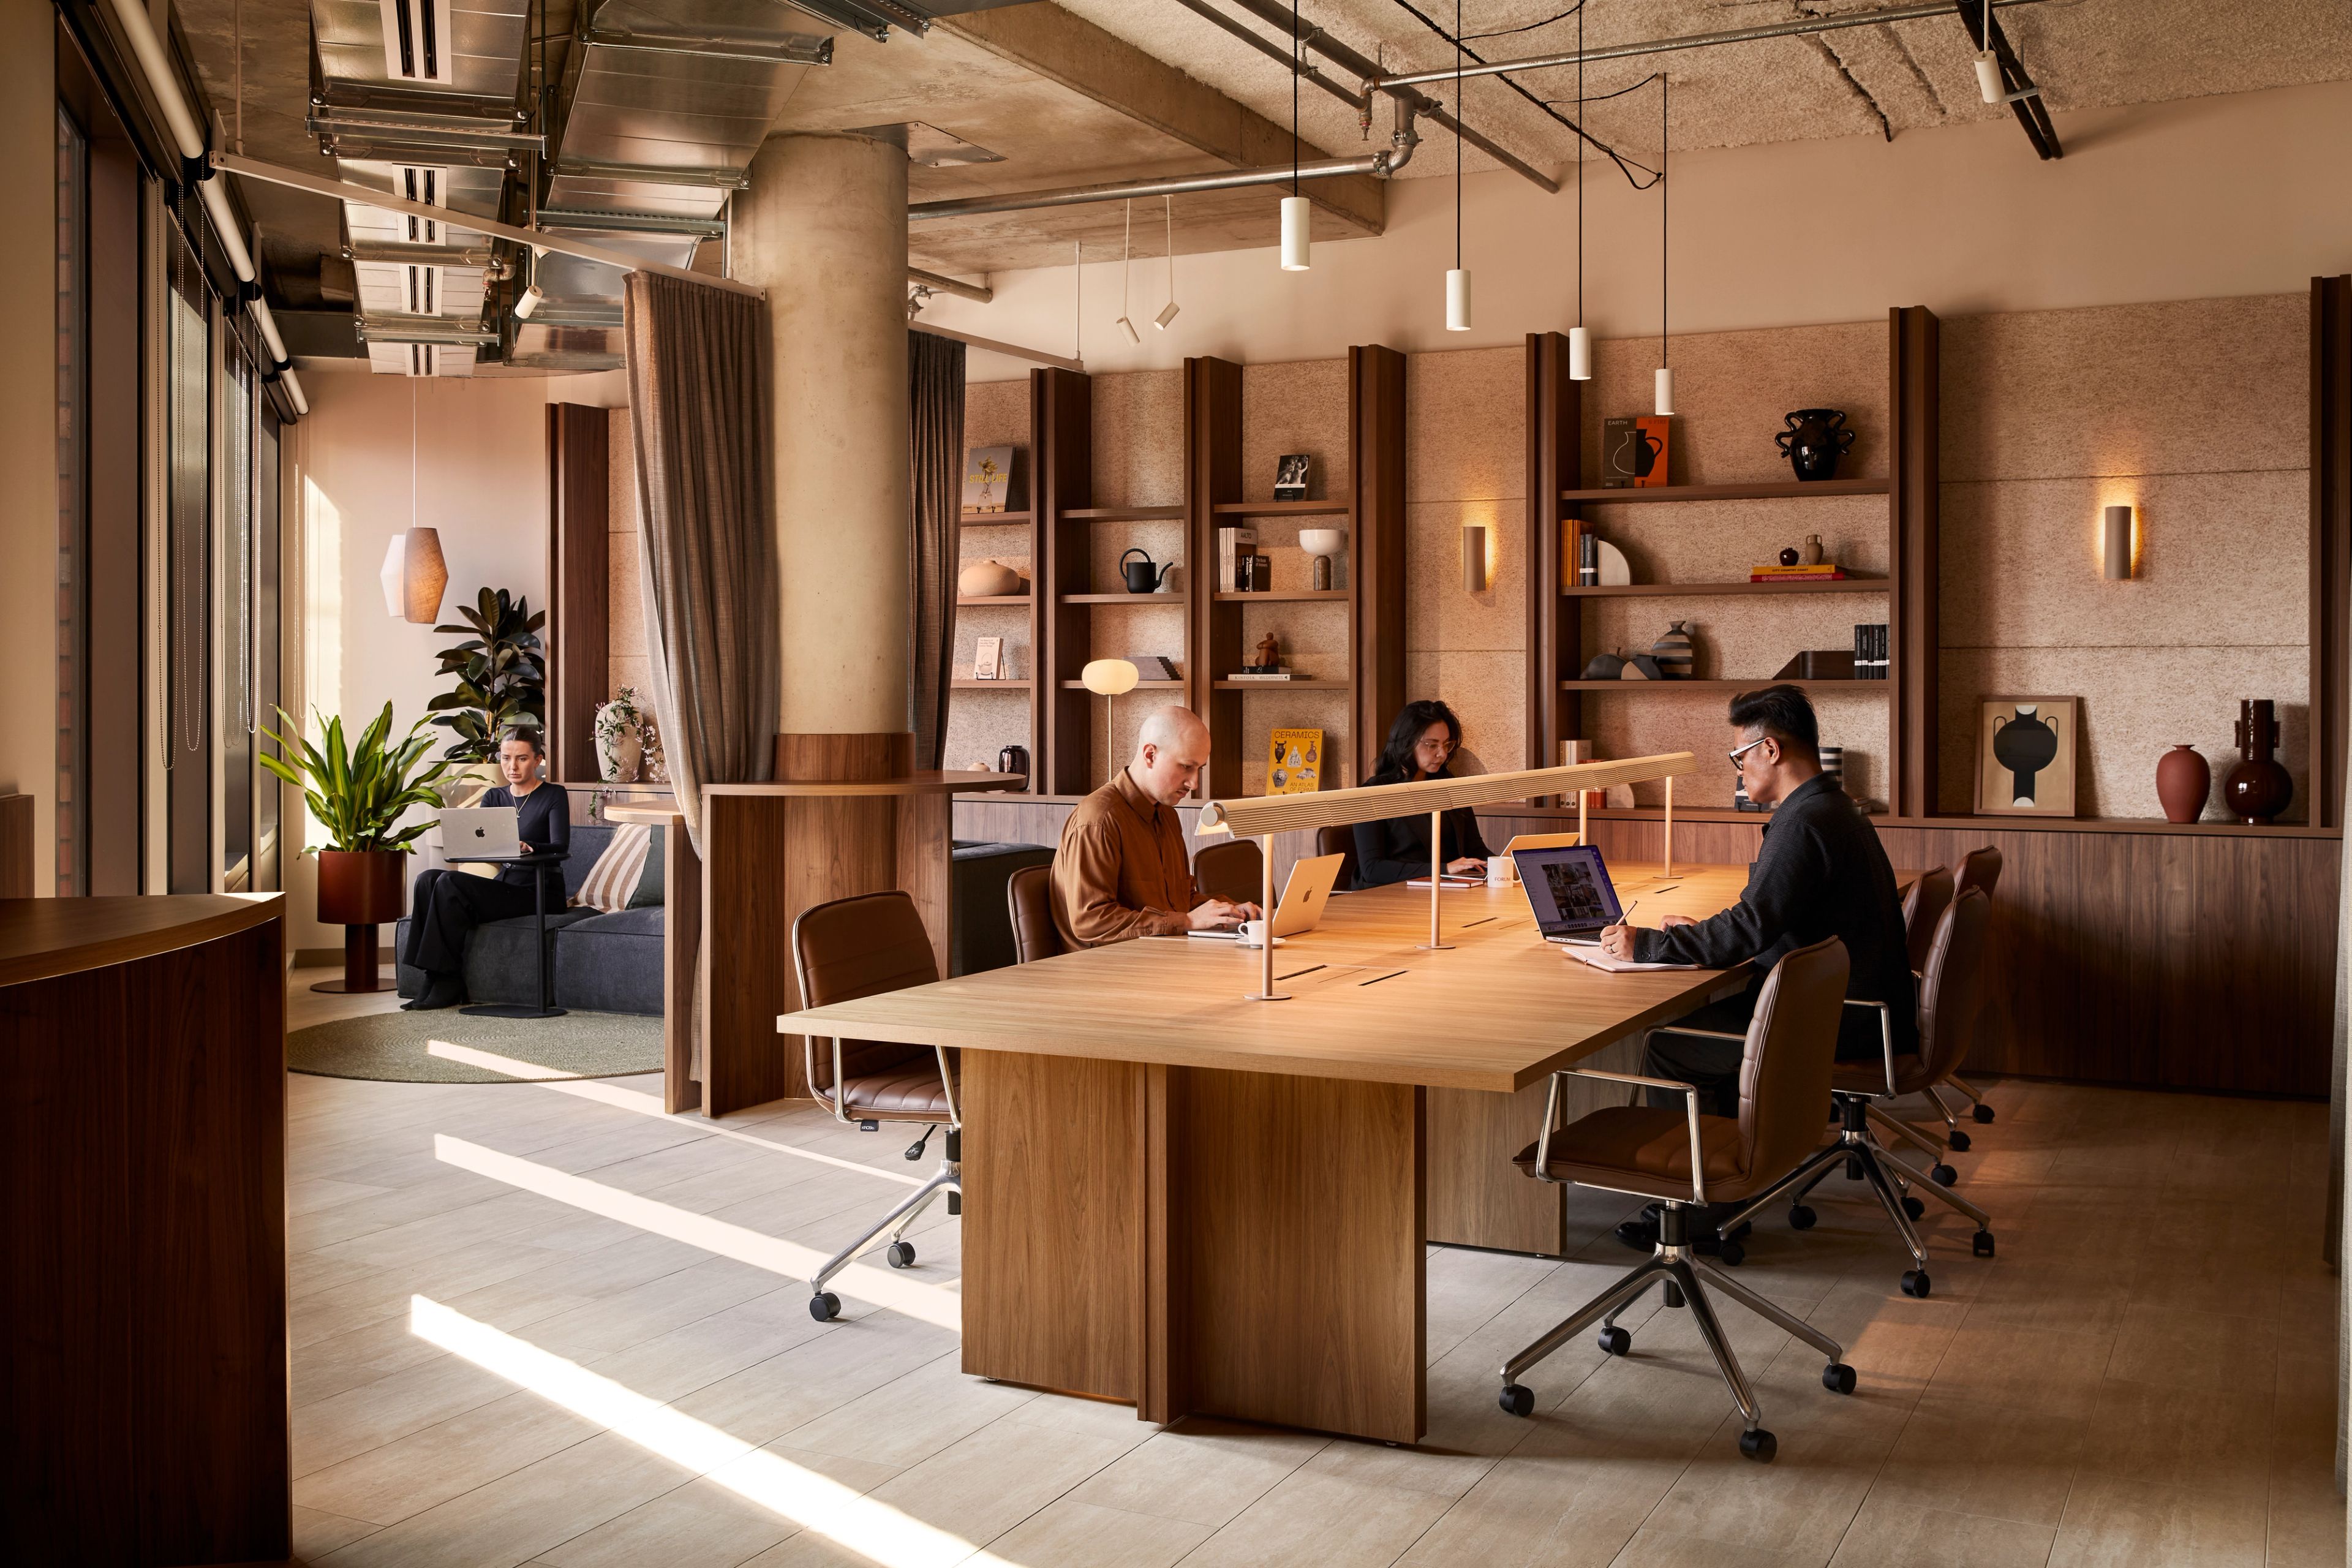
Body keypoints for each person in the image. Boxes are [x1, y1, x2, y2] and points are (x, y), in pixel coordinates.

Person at [1599, 684, 1915, 1252]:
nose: (1738, 771)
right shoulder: (1831, 807)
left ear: (1770, 750)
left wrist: (1645, 944)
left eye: (1738, 757)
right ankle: (1726, 1188)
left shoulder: (1803, 823)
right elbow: (1764, 917)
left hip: (1843, 1018)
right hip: (1864, 1004)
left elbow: (1749, 928)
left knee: (1669, 1045)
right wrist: (1696, 935)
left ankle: (1701, 1209)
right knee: (1696, 1031)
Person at [1051, 705, 1261, 948]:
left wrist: (1230, 911)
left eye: (1199, 769)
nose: (1194, 783)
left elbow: (1178, 902)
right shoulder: (1099, 819)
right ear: (1150, 755)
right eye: (1186, 766)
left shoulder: (1167, 815)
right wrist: (1187, 921)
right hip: (1106, 969)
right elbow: (1091, 921)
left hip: (1160, 954)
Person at [401, 728, 570, 1009]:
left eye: (522, 759)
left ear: (538, 760)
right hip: (507, 884)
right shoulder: (495, 796)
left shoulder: (554, 794)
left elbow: (560, 845)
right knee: (428, 879)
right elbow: (485, 846)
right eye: (506, 758)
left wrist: (530, 847)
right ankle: (431, 976)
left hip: (540, 890)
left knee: (449, 884)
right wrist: (466, 846)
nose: (512, 767)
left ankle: (446, 980)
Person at [1351, 699, 1494, 888]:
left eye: (1446, 745)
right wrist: (1443, 869)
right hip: (1390, 895)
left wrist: (1503, 865)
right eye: (1432, 745)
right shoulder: (1372, 794)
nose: (1442, 754)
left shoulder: (1449, 788)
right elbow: (1373, 869)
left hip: (1446, 889)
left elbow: (1475, 848)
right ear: (1406, 743)